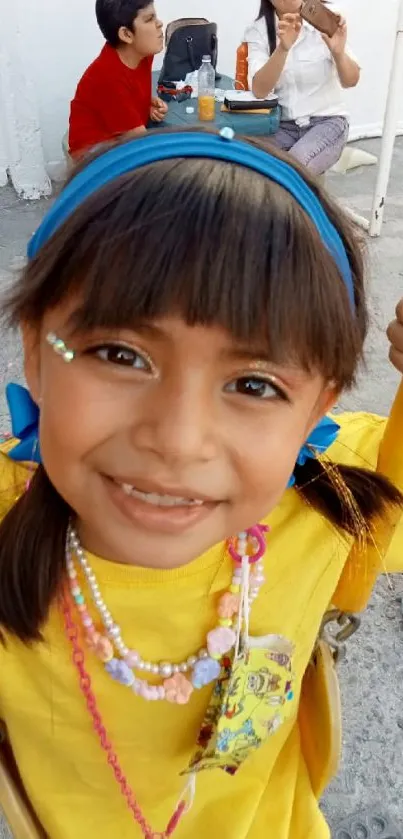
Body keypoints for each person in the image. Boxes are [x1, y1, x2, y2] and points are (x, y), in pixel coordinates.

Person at [0, 128, 402, 839]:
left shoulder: (334, 499)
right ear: (34, 348)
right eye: (119, 354)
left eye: (253, 383)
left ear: (320, 404)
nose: (177, 439)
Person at [245, 0, 360, 174]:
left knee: (291, 171)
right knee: (244, 162)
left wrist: (339, 53)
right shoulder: (258, 31)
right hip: (283, 126)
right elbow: (260, 91)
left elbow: (350, 81)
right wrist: (282, 49)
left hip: (328, 122)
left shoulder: (328, 17)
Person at [68, 0, 167, 158]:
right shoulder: (107, 76)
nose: (159, 23)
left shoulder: (143, 55)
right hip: (93, 157)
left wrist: (145, 104)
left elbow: (127, 91)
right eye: (149, 19)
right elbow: (141, 142)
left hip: (122, 139)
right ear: (126, 34)